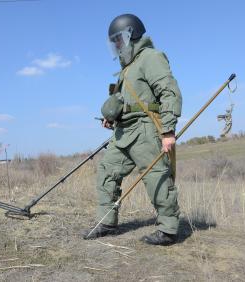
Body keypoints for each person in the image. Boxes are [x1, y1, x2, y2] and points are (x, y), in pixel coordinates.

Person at [82, 14, 182, 246]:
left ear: (132, 34)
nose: (117, 45)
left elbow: (169, 92)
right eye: (114, 41)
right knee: (107, 171)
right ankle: (106, 221)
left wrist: (167, 131)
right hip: (123, 131)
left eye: (119, 39)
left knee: (156, 176)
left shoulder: (151, 58)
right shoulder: (127, 68)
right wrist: (113, 117)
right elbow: (124, 101)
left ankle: (168, 229)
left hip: (145, 129)